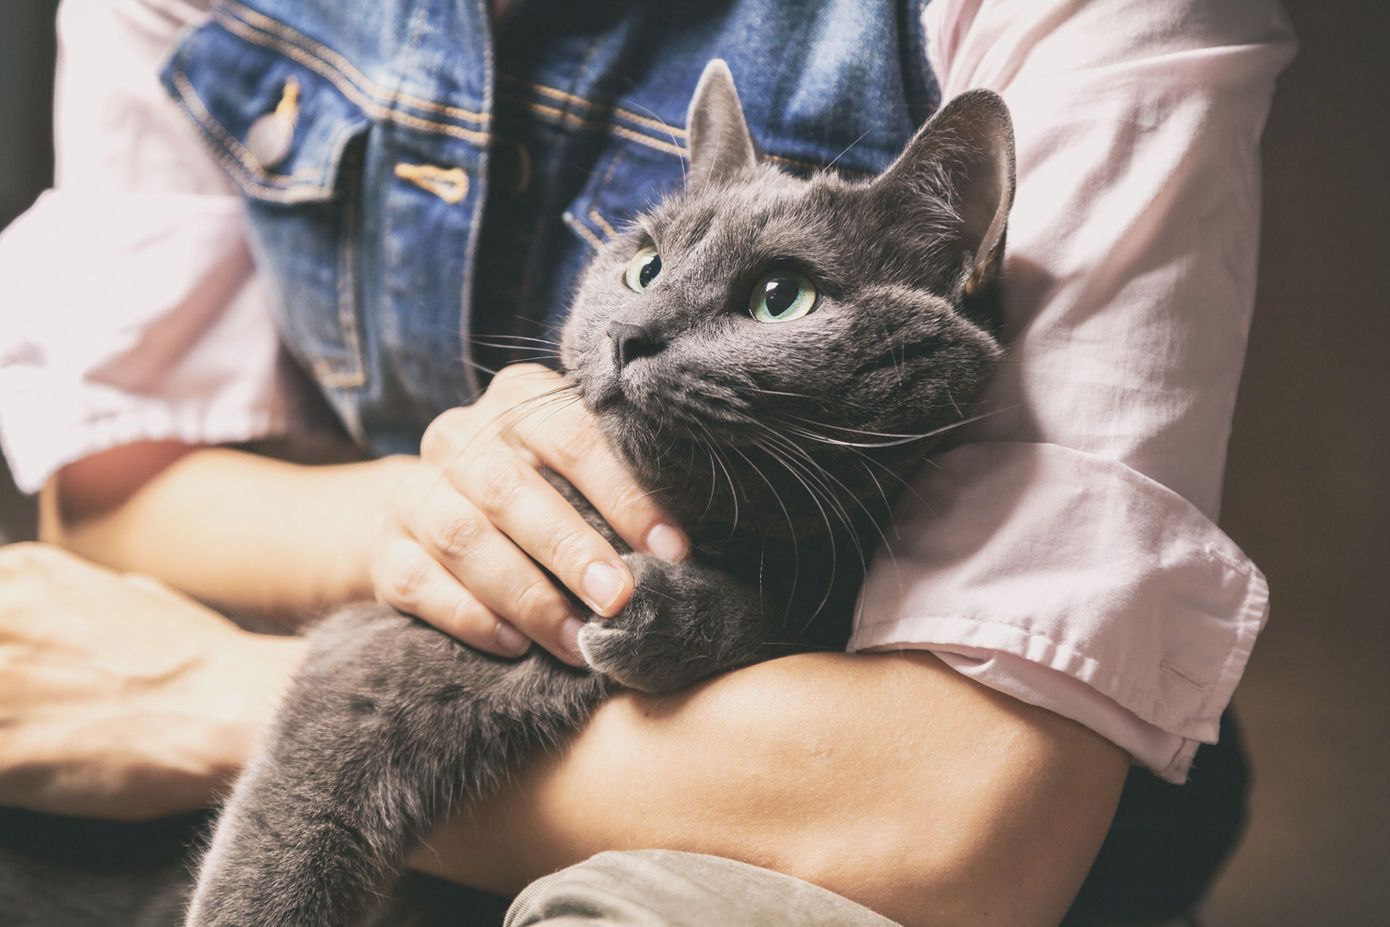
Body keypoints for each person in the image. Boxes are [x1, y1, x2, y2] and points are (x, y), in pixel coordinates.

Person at [0, 0, 1295, 924]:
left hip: (899, 775)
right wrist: (445, 512)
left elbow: (957, 821)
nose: (655, 326)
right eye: (648, 264)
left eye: (778, 295)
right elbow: (108, 494)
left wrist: (210, 698)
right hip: (456, 652)